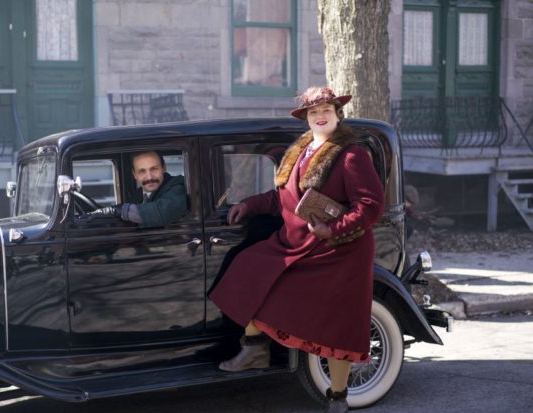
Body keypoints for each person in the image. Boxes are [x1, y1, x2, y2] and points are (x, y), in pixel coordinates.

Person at [209, 86, 385, 413]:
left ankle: (338, 395)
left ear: (337, 114)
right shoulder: (301, 150)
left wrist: (334, 229)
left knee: (337, 327)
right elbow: (283, 199)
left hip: (338, 252)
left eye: (326, 110)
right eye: (313, 111)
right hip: (296, 243)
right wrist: (250, 204)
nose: (320, 115)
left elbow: (371, 206)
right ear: (306, 117)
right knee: (249, 268)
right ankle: (255, 347)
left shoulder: (351, 155)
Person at [84, 151, 187, 228]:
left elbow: (163, 211)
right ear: (135, 175)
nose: (149, 177)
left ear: (163, 168)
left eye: (154, 169)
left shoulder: (176, 187)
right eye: (142, 171)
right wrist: (104, 212)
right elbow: (126, 208)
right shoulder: (138, 195)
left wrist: (118, 211)